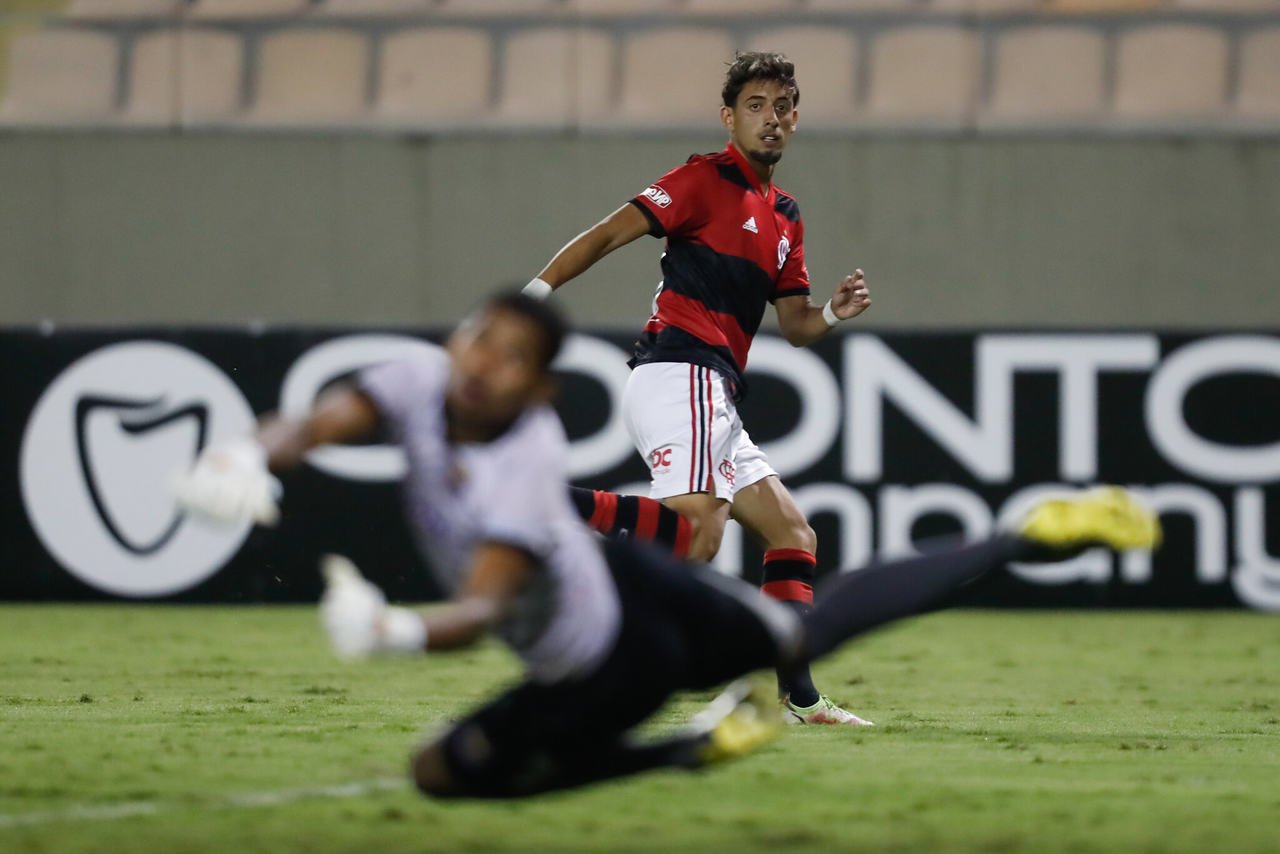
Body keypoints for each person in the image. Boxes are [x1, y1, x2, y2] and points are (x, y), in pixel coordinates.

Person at [174, 291, 1162, 800]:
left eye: (513, 358)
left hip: (616, 653)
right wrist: (243, 455)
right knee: (441, 774)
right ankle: (694, 749)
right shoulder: (412, 375)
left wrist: (390, 631)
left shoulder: (523, 459)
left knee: (791, 628)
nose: (483, 365)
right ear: (456, 338)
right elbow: (315, 419)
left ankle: (1024, 533)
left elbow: (480, 610)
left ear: (540, 390)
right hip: (601, 582)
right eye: (479, 338)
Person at [524, 51, 873, 724]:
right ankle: (544, 504)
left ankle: (798, 698)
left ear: (794, 120)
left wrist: (832, 313)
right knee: (696, 536)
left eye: (781, 108)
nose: (769, 120)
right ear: (728, 118)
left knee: (791, 533)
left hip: (712, 389)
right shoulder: (698, 180)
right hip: (680, 370)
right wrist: (533, 297)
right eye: (754, 107)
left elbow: (795, 325)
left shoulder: (785, 215)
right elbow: (604, 236)